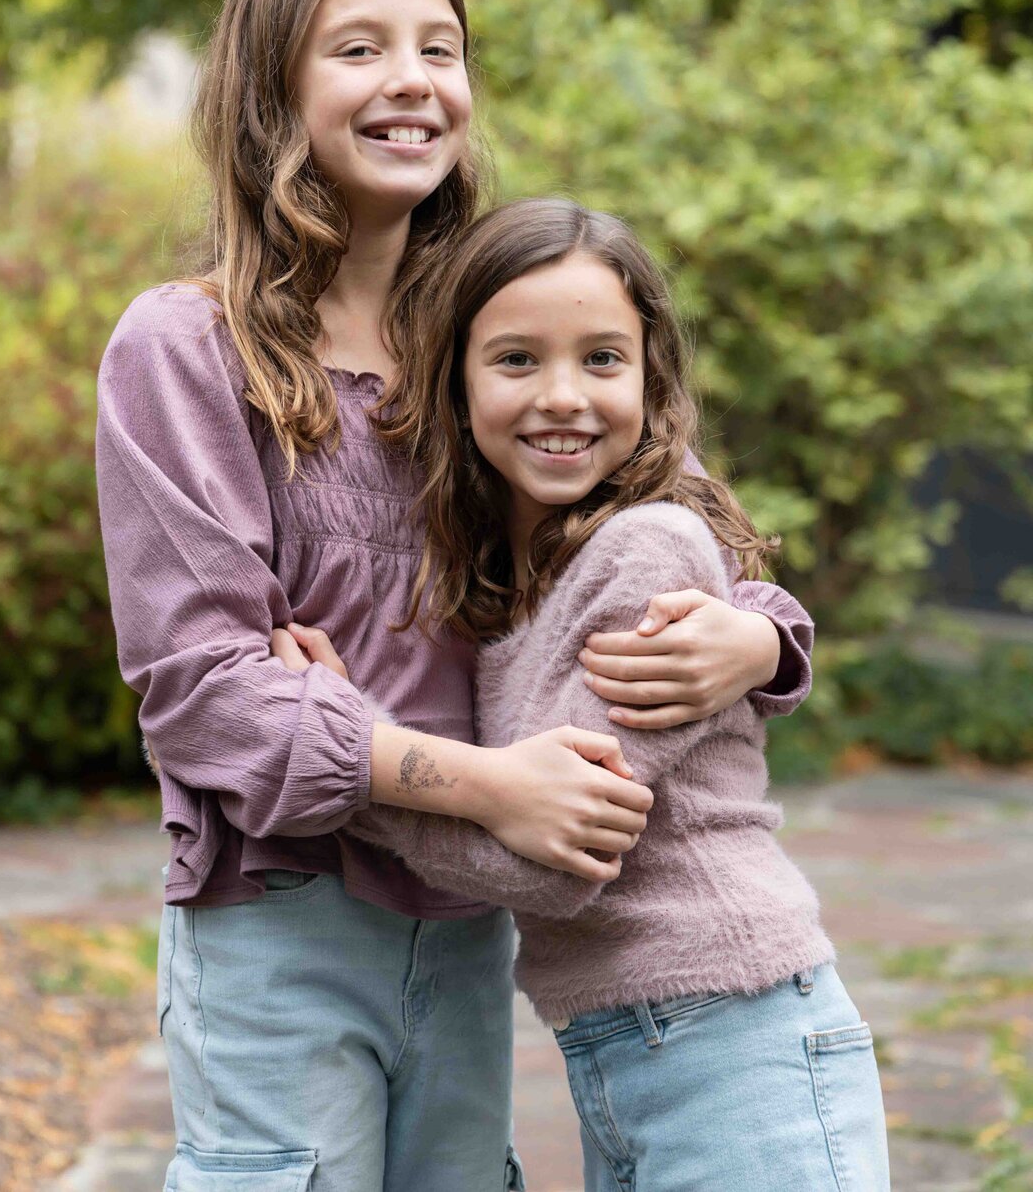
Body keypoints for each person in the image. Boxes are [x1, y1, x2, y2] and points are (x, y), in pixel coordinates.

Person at [95, 0, 817, 1192]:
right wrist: (489, 786)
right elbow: (201, 693)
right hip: (283, 911)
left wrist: (755, 638)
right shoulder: (188, 350)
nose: (414, 81)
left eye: (442, 47)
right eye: (360, 49)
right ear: (272, 89)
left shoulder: (494, 322)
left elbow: (697, 524)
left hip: (472, 923)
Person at [278, 197, 890, 1192]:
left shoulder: (648, 548)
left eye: (602, 360)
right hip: (631, 1049)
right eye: (517, 360)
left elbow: (561, 861)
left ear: (650, 379)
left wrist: (353, 760)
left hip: (734, 1042)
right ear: (456, 383)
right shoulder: (517, 582)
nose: (563, 397)